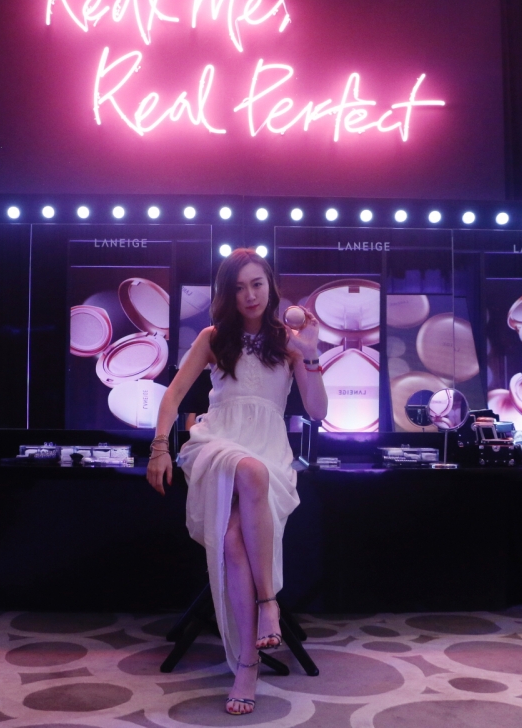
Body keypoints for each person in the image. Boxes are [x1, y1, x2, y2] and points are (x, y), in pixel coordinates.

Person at [148, 248, 328, 716]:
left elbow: (318, 411)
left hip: (269, 449)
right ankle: (269, 603)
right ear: (227, 294)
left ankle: (247, 664)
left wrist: (311, 355)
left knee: (233, 540)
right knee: (249, 469)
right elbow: (173, 395)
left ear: (271, 287)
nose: (249, 295)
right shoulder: (213, 338)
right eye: (239, 287)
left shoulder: (289, 342)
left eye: (257, 284)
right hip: (217, 445)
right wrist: (160, 446)